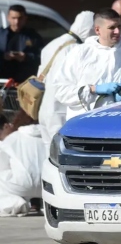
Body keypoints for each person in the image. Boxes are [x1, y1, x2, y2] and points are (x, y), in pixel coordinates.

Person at [48, 8, 121, 120]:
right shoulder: (79, 53)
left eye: (119, 26)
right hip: (85, 125)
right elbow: (60, 90)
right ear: (97, 30)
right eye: (111, 28)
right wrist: (93, 89)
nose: (117, 31)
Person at [37, 11, 96, 147]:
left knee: (48, 154)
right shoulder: (76, 50)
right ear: (89, 28)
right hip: (60, 110)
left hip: (45, 109)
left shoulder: (53, 44)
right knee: (61, 155)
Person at [0, 109, 44, 217]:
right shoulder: (47, 135)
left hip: (21, 186)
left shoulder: (10, 140)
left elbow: (2, 167)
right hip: (46, 187)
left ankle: (16, 204)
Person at [0, 4, 44, 82]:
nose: (16, 22)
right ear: (8, 18)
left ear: (25, 18)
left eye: (20, 18)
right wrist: (3, 56)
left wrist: (25, 57)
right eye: (13, 18)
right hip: (3, 80)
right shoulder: (1, 35)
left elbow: (42, 58)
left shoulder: (33, 36)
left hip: (25, 82)